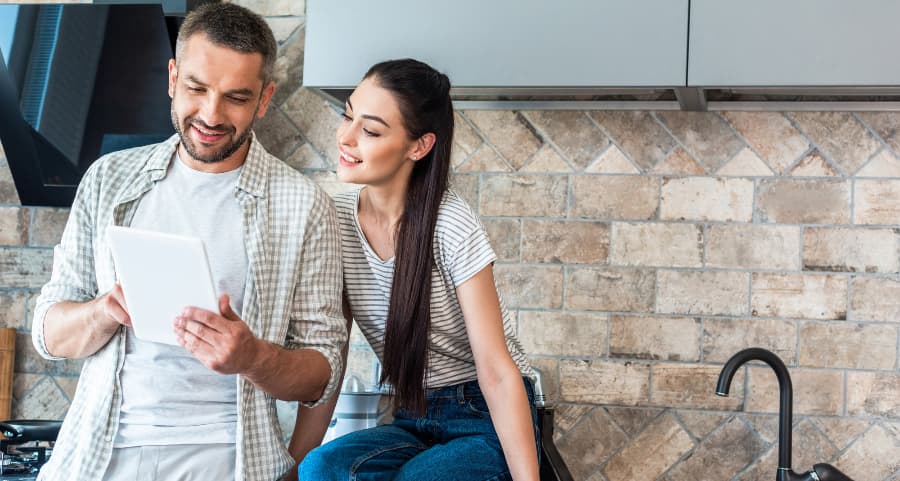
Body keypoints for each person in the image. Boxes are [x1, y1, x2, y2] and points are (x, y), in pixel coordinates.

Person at [30, 4, 346, 481]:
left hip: (228, 459)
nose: (211, 115)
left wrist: (252, 358)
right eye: (197, 89)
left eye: (236, 97)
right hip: (94, 457)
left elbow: (322, 373)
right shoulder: (108, 180)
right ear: (173, 78)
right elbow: (49, 335)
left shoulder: (305, 206)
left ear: (264, 99)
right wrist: (106, 310)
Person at [296, 58, 540, 481]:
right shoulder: (334, 218)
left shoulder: (450, 223)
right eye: (347, 116)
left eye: (370, 130)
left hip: (481, 416)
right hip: (411, 415)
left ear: (419, 146)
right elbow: (332, 351)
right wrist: (295, 464)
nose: (346, 138)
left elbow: (497, 371)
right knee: (322, 469)